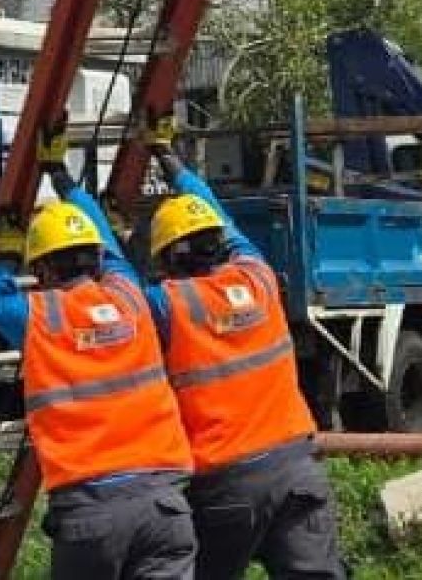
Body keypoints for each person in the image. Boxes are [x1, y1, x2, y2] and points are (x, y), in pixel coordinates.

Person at [0, 128, 197, 580]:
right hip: (165, 505)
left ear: (40, 269)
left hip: (90, 510)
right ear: (97, 260)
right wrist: (63, 179)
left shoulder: (41, 315)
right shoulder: (130, 298)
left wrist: (4, 253)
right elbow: (111, 248)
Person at [140, 116, 346, 580]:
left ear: (170, 258)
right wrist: (173, 163)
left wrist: (93, 224)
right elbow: (224, 221)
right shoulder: (258, 277)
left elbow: (111, 293)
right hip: (297, 467)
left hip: (225, 483)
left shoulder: (167, 304)